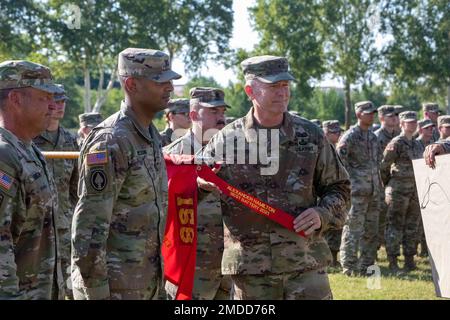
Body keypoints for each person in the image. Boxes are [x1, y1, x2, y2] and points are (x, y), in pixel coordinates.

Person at [201, 55, 351, 300]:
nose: (282, 92)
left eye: (285, 85)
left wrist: (322, 213)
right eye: (273, 86)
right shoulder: (225, 140)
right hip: (251, 272)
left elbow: (340, 188)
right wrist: (200, 186)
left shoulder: (310, 136)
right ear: (250, 90)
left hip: (306, 264)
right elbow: (195, 188)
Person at [71, 48, 181, 300]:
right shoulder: (111, 141)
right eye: (160, 81)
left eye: (170, 81)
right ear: (131, 84)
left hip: (145, 285)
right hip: (114, 290)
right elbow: (88, 231)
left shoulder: (148, 135)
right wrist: (97, 295)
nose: (169, 88)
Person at [0, 60, 64, 299]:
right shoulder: (4, 155)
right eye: (44, 97)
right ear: (15, 99)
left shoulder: (29, 150)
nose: (52, 105)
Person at [163, 87, 230, 300]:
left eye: (222, 112)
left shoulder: (235, 153)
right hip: (192, 265)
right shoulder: (173, 157)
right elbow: (163, 208)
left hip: (229, 265)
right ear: (193, 115)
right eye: (213, 112)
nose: (221, 118)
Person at [33, 84, 79, 298]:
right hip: (36, 228)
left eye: (63, 101)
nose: (59, 106)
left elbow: (76, 187)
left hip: (64, 226)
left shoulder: (70, 142)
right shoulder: (31, 139)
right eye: (55, 100)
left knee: (68, 285)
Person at [337, 101, 381, 276]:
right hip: (356, 193)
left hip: (373, 192)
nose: (371, 115)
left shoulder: (373, 137)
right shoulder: (350, 136)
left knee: (371, 231)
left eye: (373, 113)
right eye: (368, 113)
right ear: (358, 114)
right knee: (353, 229)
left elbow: (377, 163)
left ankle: (367, 266)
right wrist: (351, 182)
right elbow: (339, 163)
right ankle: (348, 267)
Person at [381, 111, 423, 272]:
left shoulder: (418, 144)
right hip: (398, 190)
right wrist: (388, 185)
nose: (412, 125)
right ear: (402, 124)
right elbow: (384, 166)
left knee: (412, 225)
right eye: (409, 122)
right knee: (395, 226)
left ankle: (409, 260)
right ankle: (392, 261)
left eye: (414, 122)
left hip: (414, 190)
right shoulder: (396, 143)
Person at [374, 105, 401, 250]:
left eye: (396, 115)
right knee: (379, 217)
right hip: (379, 182)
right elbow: (378, 163)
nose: (394, 118)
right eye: (391, 116)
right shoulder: (377, 136)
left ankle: (384, 244)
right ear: (382, 118)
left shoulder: (397, 135)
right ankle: (376, 248)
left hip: (391, 182)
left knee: (388, 217)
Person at [322, 120, 344, 267]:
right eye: (333, 132)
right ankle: (325, 259)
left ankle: (333, 257)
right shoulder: (321, 149)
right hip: (323, 192)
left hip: (336, 192)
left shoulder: (337, 149)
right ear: (325, 133)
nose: (338, 134)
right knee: (325, 226)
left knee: (337, 224)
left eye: (338, 131)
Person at [415, 119, 435, 258]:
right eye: (427, 128)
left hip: (431, 187)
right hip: (415, 187)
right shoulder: (415, 144)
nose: (430, 130)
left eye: (431, 128)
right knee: (415, 222)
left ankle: (426, 250)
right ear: (421, 129)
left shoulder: (434, 144)